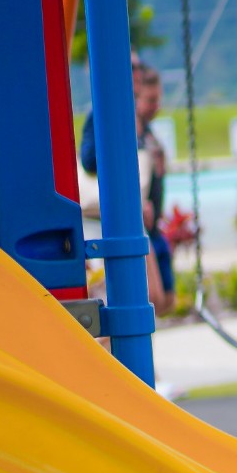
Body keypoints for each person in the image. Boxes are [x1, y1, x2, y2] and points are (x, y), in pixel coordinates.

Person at [80, 55, 174, 316]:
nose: (137, 73)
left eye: (139, 68)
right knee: (129, 299)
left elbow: (145, 170)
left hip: (136, 216)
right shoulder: (104, 112)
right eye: (132, 68)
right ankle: (108, 350)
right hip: (111, 217)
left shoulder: (134, 117)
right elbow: (88, 159)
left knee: (153, 299)